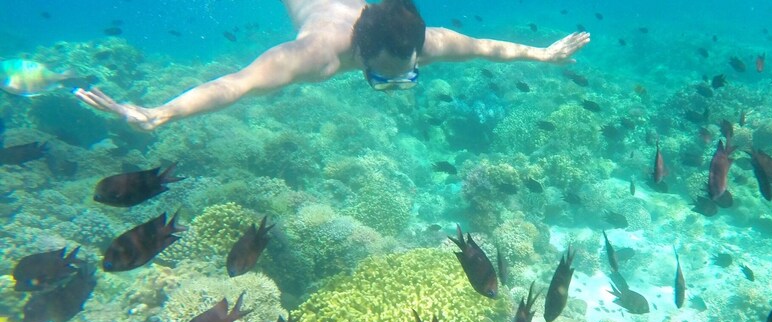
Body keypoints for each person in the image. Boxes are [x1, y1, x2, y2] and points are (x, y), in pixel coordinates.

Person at [75, 0, 591, 131]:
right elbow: (235, 86)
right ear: (358, 54)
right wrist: (163, 112)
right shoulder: (317, 55)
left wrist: (542, 55)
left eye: (405, 76)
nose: (393, 85)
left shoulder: (423, 41)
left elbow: (484, 45)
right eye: (381, 78)